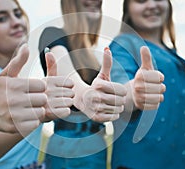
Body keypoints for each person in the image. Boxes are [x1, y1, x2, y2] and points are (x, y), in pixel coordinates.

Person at [0, 0, 74, 169]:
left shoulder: (13, 80)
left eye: (17, 14)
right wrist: (38, 112)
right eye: (1, 18)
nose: (16, 22)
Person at [109, 0, 185, 168]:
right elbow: (119, 90)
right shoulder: (124, 44)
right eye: (141, 0)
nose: (151, 5)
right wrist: (134, 93)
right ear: (128, 8)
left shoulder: (174, 55)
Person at [38, 0, 127, 168]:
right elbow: (65, 71)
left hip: (97, 144)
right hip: (69, 142)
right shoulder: (54, 35)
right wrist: (84, 95)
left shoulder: (94, 57)